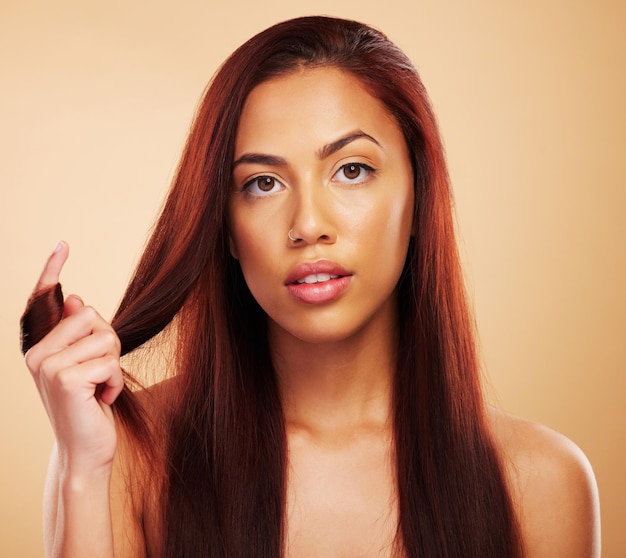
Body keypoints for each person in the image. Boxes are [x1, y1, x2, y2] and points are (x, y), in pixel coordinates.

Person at [22, 15, 600, 558]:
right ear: (223, 226)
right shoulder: (127, 456)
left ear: (420, 196)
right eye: (263, 183)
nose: (307, 225)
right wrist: (83, 472)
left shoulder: (542, 482)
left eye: (352, 170)